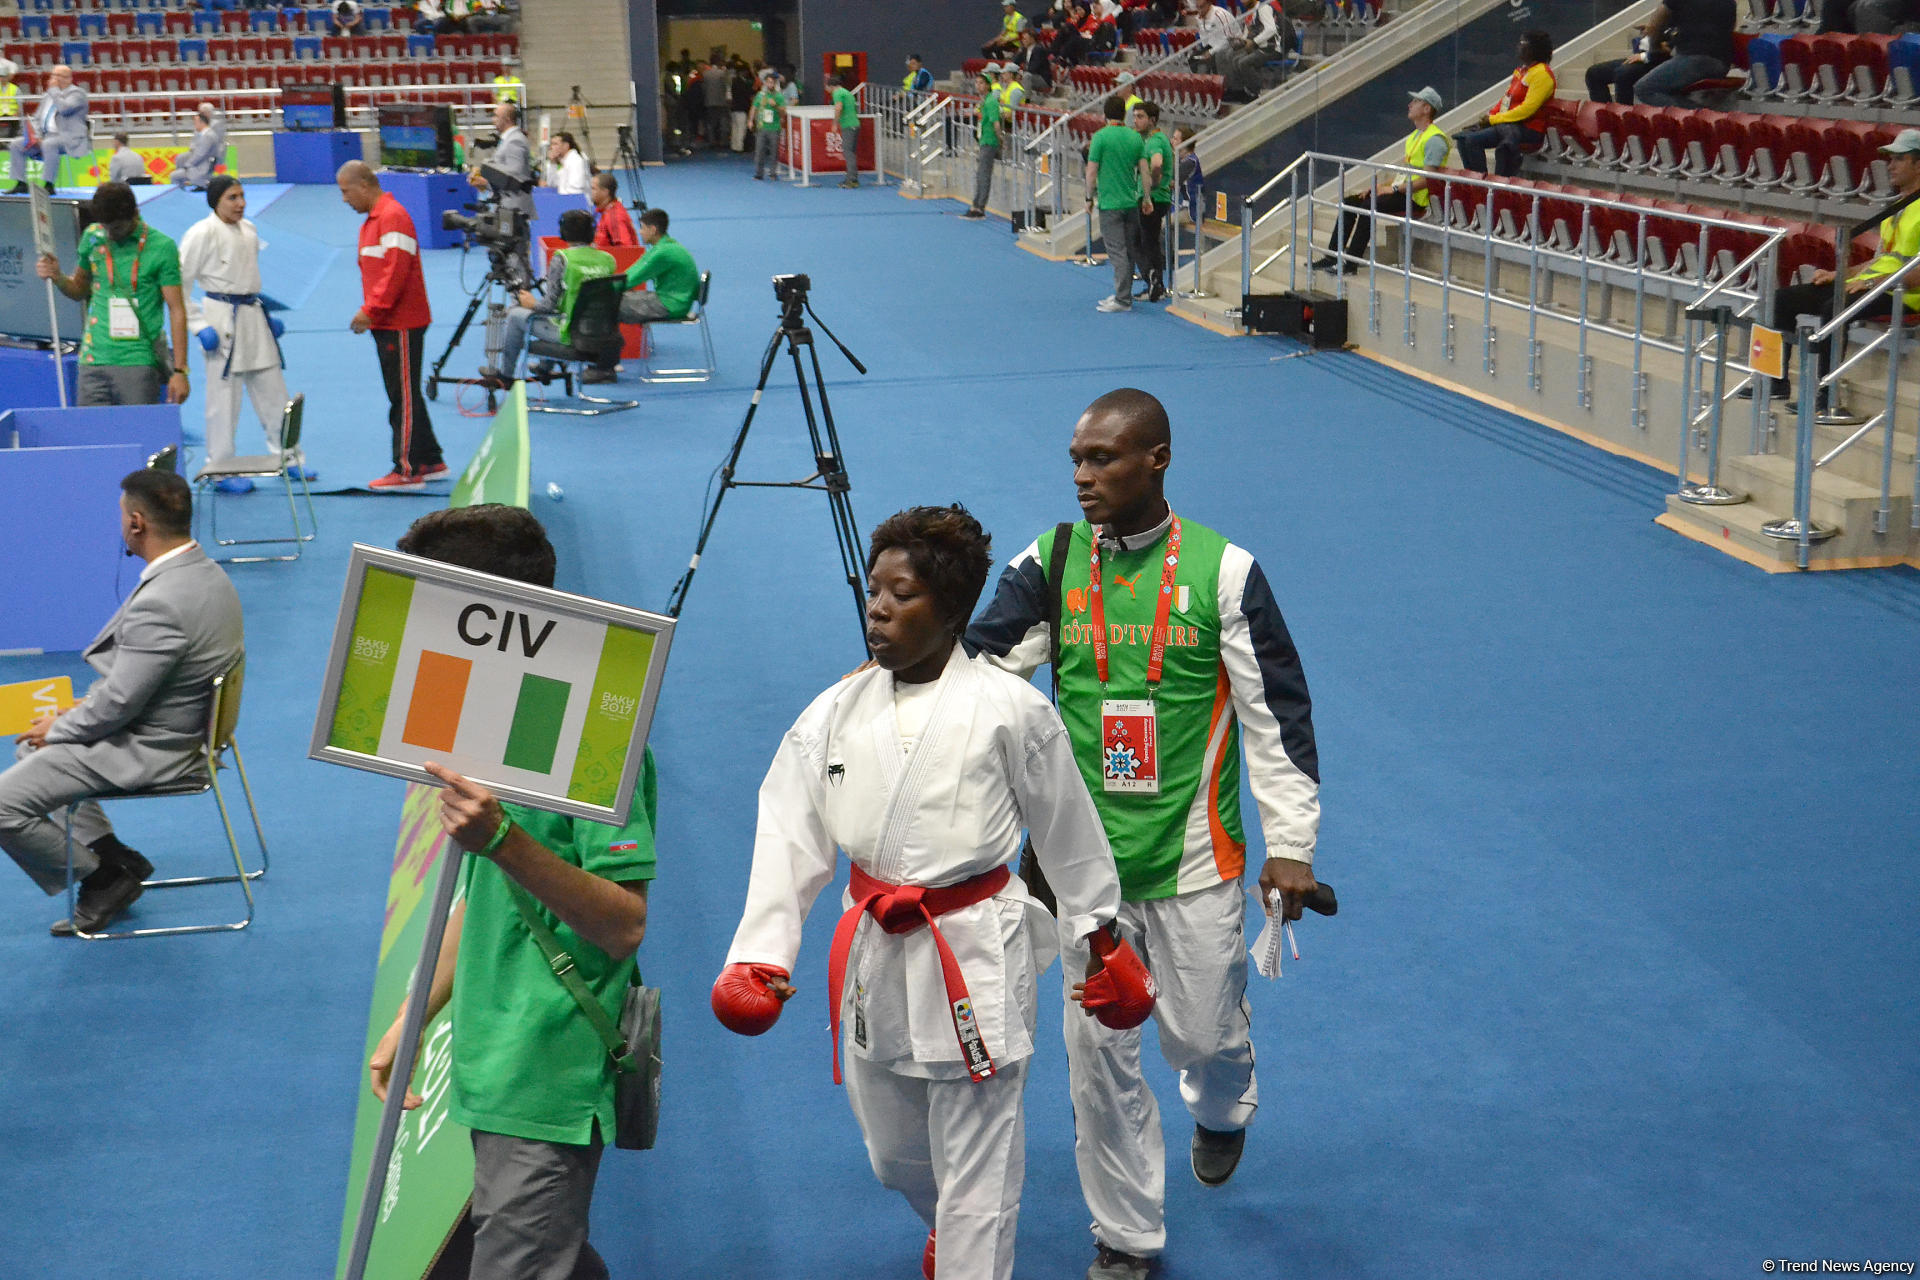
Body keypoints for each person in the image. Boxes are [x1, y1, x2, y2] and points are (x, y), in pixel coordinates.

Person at [711, 503, 1152, 1280]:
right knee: (896, 1159)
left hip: (977, 948)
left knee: (978, 1183)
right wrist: (759, 953)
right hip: (874, 950)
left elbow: (1068, 834)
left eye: (900, 594)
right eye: (874, 590)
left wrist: (1102, 939)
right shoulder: (833, 712)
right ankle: (944, 1228)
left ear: (949, 612)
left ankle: (967, 1252)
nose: (877, 608)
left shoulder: (1011, 711)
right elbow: (789, 831)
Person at [967, 387, 1322, 1280]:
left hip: (1195, 855)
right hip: (1082, 870)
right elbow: (978, 666)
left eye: (1104, 459)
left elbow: (1277, 716)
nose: (1083, 477)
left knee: (1199, 1036)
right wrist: (898, 672)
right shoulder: (1050, 560)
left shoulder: (1224, 572)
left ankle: (1222, 1101)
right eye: (1077, 460)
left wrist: (1293, 845)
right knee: (1099, 1060)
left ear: (1157, 458)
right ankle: (1127, 1239)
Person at [367, 503, 656, 1280]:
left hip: (546, 1074)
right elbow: (486, 900)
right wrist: (412, 1017)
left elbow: (623, 925)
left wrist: (504, 839)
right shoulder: (485, 726)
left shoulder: (596, 737)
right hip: (488, 1065)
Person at [0, 469, 244, 937]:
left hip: (158, 749)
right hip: (184, 728)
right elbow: (135, 688)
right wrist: (70, 717)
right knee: (33, 748)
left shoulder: (164, 601)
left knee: (7, 803)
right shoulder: (206, 573)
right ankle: (113, 855)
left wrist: (61, 726)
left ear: (136, 522)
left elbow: (118, 704)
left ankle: (104, 878)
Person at [1743, 128, 1920, 413]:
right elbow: (1882, 258)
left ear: (1919, 164)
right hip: (1875, 283)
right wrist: (1841, 274)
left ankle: (1826, 395)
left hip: (1905, 293)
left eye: (1899, 159)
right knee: (1783, 299)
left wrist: (1876, 283)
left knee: (1834, 308)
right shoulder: (1900, 205)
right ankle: (1774, 382)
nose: (1890, 166)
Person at [179, 176, 306, 492]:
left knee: (274, 390)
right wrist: (198, 326)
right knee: (223, 401)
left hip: (252, 315)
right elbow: (180, 286)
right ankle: (221, 469)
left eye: (242, 196)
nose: (241, 203)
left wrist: (268, 316)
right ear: (216, 201)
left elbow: (249, 278)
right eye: (232, 198)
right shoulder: (200, 233)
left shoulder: (249, 230)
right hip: (220, 319)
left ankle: (288, 457)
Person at [337, 160, 445, 491]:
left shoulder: (391, 217)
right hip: (391, 321)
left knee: (402, 397)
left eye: (345, 191)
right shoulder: (376, 219)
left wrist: (371, 309)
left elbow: (395, 273)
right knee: (405, 393)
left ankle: (408, 469)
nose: (344, 199)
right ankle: (429, 460)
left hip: (398, 322)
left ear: (364, 186)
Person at [36, 181, 190, 407]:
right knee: (93, 439)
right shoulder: (92, 237)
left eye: (116, 228)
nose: (109, 234)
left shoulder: (162, 247)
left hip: (138, 363)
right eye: (105, 226)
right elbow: (78, 288)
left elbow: (177, 310)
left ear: (136, 215)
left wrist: (179, 370)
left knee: (136, 437)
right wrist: (57, 276)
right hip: (92, 360)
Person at [1316, 86, 1452, 273]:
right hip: (1403, 190)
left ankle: (1350, 264)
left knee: (1369, 206)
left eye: (1416, 102)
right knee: (1349, 202)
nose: (1409, 104)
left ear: (1427, 109)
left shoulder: (1435, 139)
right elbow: (1405, 172)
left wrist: (1395, 190)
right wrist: (1381, 186)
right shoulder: (1414, 136)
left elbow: (1429, 181)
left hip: (1416, 198)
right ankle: (1331, 257)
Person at [485, 209, 614, 386]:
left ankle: (505, 377)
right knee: (556, 316)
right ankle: (544, 368)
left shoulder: (562, 259)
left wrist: (530, 303)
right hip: (602, 331)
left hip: (571, 333)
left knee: (516, 315)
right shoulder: (608, 259)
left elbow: (547, 307)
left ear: (564, 233)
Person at [589, 207, 698, 383]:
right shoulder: (669, 246)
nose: (640, 232)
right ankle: (608, 360)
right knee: (611, 300)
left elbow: (629, 279)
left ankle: (606, 368)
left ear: (653, 229)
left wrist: (595, 289)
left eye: (642, 227)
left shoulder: (662, 253)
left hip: (669, 305)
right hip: (674, 301)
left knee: (606, 305)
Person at [1455, 29, 1556, 177]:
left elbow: (1527, 109)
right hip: (1508, 123)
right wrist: (1490, 115)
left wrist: (1494, 119)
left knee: (1472, 141)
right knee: (1462, 139)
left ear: (1535, 48)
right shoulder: (1522, 71)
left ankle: (1483, 186)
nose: (1518, 46)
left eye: (1523, 43)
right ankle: (1475, 183)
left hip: (1528, 128)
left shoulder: (1542, 74)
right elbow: (1506, 99)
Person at [1085, 95, 1152, 313]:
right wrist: (1147, 197)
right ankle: (1123, 294)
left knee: (1117, 251)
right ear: (1124, 114)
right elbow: (1144, 170)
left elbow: (1091, 170)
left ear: (1105, 114)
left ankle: (1123, 299)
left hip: (1110, 203)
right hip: (1130, 201)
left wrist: (1088, 197)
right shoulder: (1135, 138)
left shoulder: (1100, 137)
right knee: (1129, 250)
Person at [1630, 0, 1735, 107]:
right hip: (1722, 62)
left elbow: (1655, 25)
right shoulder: (1729, 2)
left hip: (1696, 60)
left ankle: (1702, 118)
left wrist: (1654, 48)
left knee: (1644, 89)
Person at [7, 64, 89, 194]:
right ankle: (21, 183)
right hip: (45, 137)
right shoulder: (48, 96)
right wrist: (37, 135)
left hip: (70, 138)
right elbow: (37, 118)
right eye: (53, 75)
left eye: (58, 76)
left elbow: (65, 109)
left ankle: (48, 185)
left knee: (49, 143)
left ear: (68, 79)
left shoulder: (78, 93)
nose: (53, 79)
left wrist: (55, 91)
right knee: (16, 144)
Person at [1130, 101, 1174, 302]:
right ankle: (1155, 283)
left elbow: (1157, 163)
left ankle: (1154, 281)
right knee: (1146, 240)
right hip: (1156, 197)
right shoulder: (1153, 139)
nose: (1136, 121)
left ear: (1152, 120)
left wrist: (1153, 184)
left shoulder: (1155, 141)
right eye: (1135, 116)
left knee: (1143, 242)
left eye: (1140, 117)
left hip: (1153, 198)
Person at [1584, 27, 1671, 106]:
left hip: (1659, 59)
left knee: (1623, 73)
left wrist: (1645, 56)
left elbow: (1671, 48)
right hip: (1644, 53)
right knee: (1594, 73)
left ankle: (1622, 115)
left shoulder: (1679, 19)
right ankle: (1605, 116)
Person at [965, 67, 1005, 220]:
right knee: (980, 174)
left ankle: (979, 207)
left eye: (981, 83)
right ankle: (975, 205)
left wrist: (1001, 141)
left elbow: (996, 123)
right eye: (976, 83)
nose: (978, 86)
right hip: (984, 140)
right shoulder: (983, 102)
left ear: (988, 85)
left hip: (990, 141)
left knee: (984, 174)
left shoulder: (991, 102)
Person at [170, 103, 226, 190]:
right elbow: (195, 140)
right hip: (199, 151)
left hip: (206, 157)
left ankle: (199, 181)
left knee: (175, 175)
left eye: (205, 112)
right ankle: (184, 178)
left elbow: (202, 153)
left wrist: (188, 164)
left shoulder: (211, 132)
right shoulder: (202, 129)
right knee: (180, 158)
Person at [751, 67, 785, 179]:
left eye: (772, 82)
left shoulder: (779, 96)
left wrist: (775, 105)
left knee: (774, 152)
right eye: (768, 82)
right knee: (759, 151)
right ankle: (759, 173)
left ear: (775, 84)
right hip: (762, 126)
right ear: (765, 83)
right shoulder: (760, 95)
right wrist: (750, 120)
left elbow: (783, 112)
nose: (770, 84)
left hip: (774, 127)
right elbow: (754, 108)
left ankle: (773, 173)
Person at [1188, 0, 1239, 73]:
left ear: (1209, 3)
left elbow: (1230, 39)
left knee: (1215, 58)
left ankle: (1221, 80)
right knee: (1192, 59)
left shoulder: (1219, 15)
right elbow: (1204, 37)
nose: (1199, 11)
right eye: (1197, 7)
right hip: (1213, 46)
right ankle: (1205, 81)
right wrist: (1205, 51)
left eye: (1201, 7)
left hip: (1231, 45)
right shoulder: (1199, 16)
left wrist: (1211, 52)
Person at [829, 73, 862, 188]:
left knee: (848, 152)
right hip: (854, 124)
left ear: (831, 87)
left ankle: (852, 180)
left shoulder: (837, 93)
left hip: (848, 125)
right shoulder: (847, 92)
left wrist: (834, 124)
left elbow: (838, 107)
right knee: (851, 152)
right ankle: (852, 178)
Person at [589, 171, 637, 248]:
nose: (590, 192)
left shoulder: (614, 216)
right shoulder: (603, 211)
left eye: (593, 189)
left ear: (605, 192)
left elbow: (625, 250)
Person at [547, 131, 590, 196]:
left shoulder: (575, 161)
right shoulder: (562, 162)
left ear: (566, 146)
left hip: (575, 202)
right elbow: (552, 185)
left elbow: (575, 189)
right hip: (564, 199)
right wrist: (553, 163)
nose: (551, 147)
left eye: (555, 144)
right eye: (551, 144)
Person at [702, 60, 732, 150]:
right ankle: (723, 142)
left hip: (709, 102)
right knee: (723, 122)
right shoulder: (722, 73)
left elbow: (703, 88)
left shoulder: (705, 74)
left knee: (711, 123)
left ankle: (712, 142)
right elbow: (727, 86)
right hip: (721, 102)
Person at [1014, 28, 1053, 95]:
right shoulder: (1025, 49)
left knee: (1026, 76)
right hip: (1029, 75)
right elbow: (1014, 62)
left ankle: (1027, 101)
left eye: (1025, 39)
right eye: (1023, 39)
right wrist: (1020, 51)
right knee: (1011, 73)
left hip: (1042, 79)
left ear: (1032, 39)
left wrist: (1020, 73)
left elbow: (1033, 68)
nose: (1023, 41)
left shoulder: (1039, 49)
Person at [729, 60, 754, 152]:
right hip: (741, 108)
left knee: (735, 128)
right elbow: (747, 94)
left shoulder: (734, 81)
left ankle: (734, 145)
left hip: (735, 108)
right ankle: (739, 147)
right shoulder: (742, 83)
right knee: (741, 128)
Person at [0, 60, 24, 142]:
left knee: (15, 123)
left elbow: (20, 104)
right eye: (1, 76)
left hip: (12, 114)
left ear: (7, 77)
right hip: (0, 114)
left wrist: (17, 113)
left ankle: (9, 142)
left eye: (4, 76)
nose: (2, 78)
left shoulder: (15, 89)